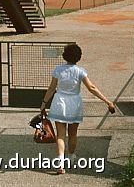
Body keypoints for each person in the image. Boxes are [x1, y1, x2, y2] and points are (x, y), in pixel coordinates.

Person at [40, 43, 115, 175]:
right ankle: (71, 156)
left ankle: (60, 163)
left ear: (64, 56)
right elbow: (92, 88)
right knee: (73, 133)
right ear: (78, 57)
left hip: (59, 103)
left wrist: (44, 103)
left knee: (60, 135)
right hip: (75, 103)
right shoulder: (80, 71)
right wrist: (107, 101)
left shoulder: (58, 70)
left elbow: (52, 88)